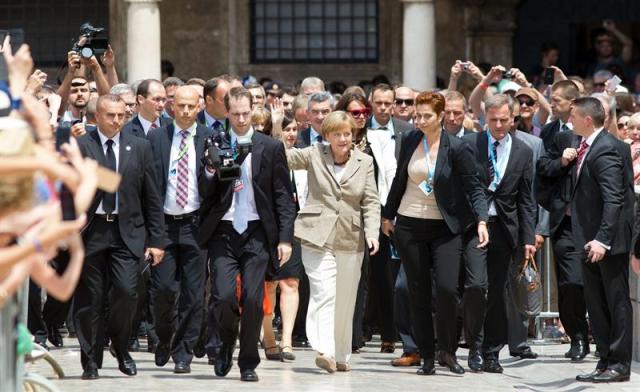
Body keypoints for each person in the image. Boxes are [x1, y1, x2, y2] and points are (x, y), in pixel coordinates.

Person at [382, 92, 489, 375]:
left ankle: (448, 351)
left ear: (440, 116)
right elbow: (399, 179)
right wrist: (387, 214)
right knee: (417, 293)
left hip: (445, 228)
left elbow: (474, 187)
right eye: (417, 115)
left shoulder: (457, 147)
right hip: (409, 225)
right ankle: (427, 355)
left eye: (426, 116)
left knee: (445, 290)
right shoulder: (410, 140)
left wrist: (481, 220)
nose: (420, 120)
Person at [197, 87, 295, 382]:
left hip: (255, 230)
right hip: (224, 230)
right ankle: (226, 343)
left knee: (254, 298)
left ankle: (248, 361)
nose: (241, 119)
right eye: (235, 113)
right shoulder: (215, 141)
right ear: (226, 112)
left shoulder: (270, 146)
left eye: (245, 113)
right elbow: (205, 191)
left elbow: (282, 195)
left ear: (253, 110)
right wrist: (211, 170)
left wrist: (285, 238)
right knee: (224, 296)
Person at [74, 94, 167, 380]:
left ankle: (120, 345)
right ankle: (90, 360)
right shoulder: (81, 146)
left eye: (121, 115)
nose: (116, 120)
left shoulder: (139, 147)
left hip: (128, 232)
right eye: (110, 115)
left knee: (127, 293)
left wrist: (157, 239)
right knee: (91, 298)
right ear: (97, 116)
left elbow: (152, 195)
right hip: (92, 230)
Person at [286, 110, 380, 373]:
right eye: (336, 134)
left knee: (346, 297)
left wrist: (372, 232)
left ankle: (340, 354)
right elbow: (282, 157)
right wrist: (274, 130)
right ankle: (324, 349)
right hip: (316, 233)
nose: (342, 138)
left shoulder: (365, 161)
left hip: (351, 237)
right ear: (326, 136)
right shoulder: (315, 153)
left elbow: (371, 200)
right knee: (323, 292)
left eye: (347, 133)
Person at [462, 94, 536, 373]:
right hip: (474, 227)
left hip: (505, 229)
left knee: (497, 293)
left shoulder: (523, 151)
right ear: (485, 118)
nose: (498, 125)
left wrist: (528, 239)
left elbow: (527, 200)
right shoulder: (470, 144)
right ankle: (474, 344)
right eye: (493, 120)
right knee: (476, 286)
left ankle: (491, 351)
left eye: (504, 120)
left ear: (513, 118)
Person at [564, 97, 633, 383]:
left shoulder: (604, 149)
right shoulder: (591, 146)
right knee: (596, 302)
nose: (570, 121)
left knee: (614, 301)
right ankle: (605, 360)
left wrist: (603, 240)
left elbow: (613, 197)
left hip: (607, 242)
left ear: (587, 120)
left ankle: (618, 364)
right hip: (590, 240)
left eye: (573, 117)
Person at [146, 86, 212, 374]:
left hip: (196, 225)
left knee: (194, 295)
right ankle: (163, 338)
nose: (185, 111)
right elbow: (148, 186)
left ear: (199, 106)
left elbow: (217, 187)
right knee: (163, 291)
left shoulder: (211, 137)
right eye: (180, 106)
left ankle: (183, 352)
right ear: (171, 106)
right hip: (164, 226)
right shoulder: (157, 138)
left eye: (190, 106)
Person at [261, 116, 307, 362]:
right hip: (268, 228)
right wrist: (275, 128)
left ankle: (286, 340)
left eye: (294, 129)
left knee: (290, 283)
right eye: (285, 129)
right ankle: (268, 337)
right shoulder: (267, 153)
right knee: (268, 285)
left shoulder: (303, 157)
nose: (290, 134)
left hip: (295, 227)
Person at [539, 80, 581, 150]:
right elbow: (544, 159)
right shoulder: (547, 130)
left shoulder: (585, 129)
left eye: (556, 101)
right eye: (551, 100)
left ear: (572, 103)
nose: (551, 105)